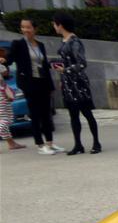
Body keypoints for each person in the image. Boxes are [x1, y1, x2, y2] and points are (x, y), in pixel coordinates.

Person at [6, 18, 60, 154]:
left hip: (43, 82)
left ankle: (50, 143)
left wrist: (51, 84)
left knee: (46, 114)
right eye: (23, 27)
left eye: (28, 27)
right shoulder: (18, 44)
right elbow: (10, 58)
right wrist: (4, 60)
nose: (25, 30)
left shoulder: (40, 45)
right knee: (35, 114)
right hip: (29, 84)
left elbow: (45, 65)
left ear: (35, 29)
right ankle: (40, 145)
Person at [52, 12, 102, 155]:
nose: (54, 27)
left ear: (60, 24)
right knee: (73, 115)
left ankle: (96, 142)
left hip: (78, 83)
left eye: (55, 24)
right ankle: (78, 144)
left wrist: (65, 70)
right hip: (68, 83)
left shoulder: (74, 41)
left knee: (87, 113)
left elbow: (81, 63)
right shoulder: (64, 41)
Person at [0, 55, 26, 150]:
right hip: (1, 94)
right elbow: (5, 74)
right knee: (7, 119)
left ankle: (11, 143)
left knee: (3, 118)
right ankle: (11, 143)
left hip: (2, 93)